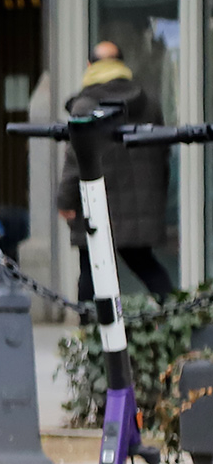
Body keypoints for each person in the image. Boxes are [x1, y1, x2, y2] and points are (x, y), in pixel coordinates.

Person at [53, 40, 175, 300]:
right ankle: (179, 323)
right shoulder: (148, 103)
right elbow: (163, 154)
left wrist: (65, 200)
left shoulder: (85, 105)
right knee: (145, 264)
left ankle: (88, 333)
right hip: (138, 206)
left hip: (96, 200)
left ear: (89, 66)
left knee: (90, 269)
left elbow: (76, 158)